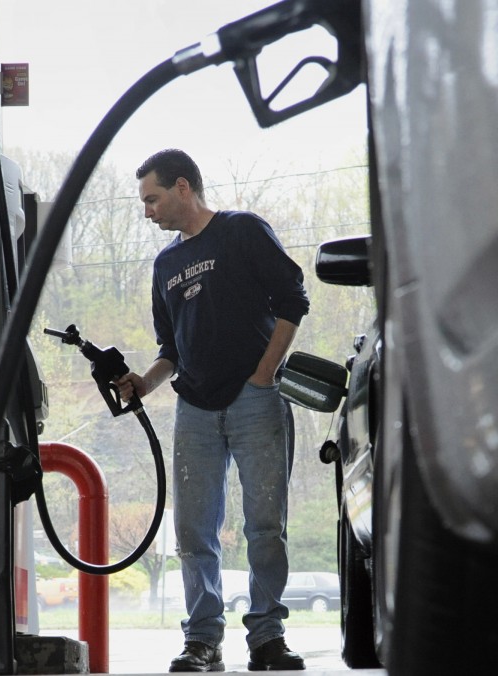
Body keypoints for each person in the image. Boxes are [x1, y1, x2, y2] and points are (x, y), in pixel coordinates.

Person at [116, 149, 309, 672]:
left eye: (152, 199)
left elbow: (294, 300)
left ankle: (267, 637)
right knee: (193, 533)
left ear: (183, 188)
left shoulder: (242, 230)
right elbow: (169, 350)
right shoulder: (165, 265)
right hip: (195, 409)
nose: (147, 211)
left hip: (255, 401)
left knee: (266, 525)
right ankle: (203, 640)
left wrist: (265, 373)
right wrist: (143, 383)